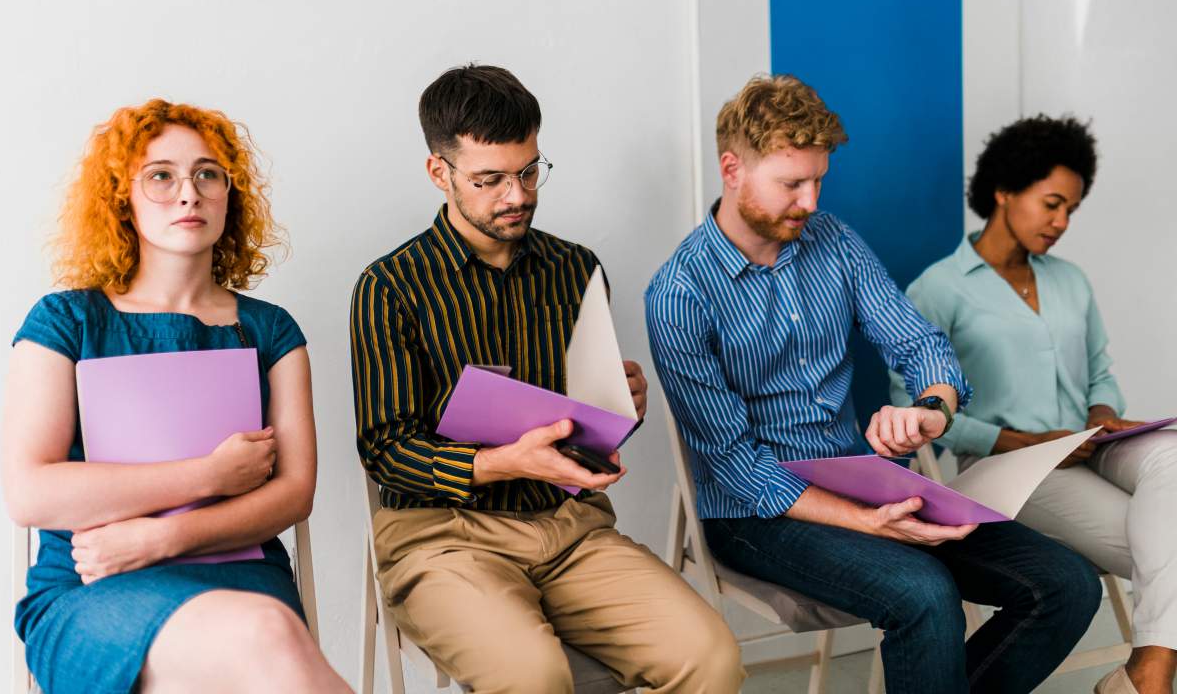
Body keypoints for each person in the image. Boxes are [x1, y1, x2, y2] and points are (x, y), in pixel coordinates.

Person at [645, 74, 1102, 694]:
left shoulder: (834, 242)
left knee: (1068, 584)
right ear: (732, 170)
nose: (810, 202)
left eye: (818, 181)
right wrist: (872, 521)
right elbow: (735, 467)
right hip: (758, 511)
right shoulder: (680, 293)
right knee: (924, 594)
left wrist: (931, 410)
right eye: (791, 184)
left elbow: (921, 345)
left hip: (863, 480)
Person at [349, 64, 743, 694]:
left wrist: (619, 409)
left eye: (529, 170)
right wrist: (506, 461)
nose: (517, 194)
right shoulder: (389, 286)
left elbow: (587, 432)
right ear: (439, 173)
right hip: (442, 539)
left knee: (712, 656)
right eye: (490, 179)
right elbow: (385, 451)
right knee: (533, 677)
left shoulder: (576, 268)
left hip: (571, 527)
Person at [2, 100, 350, 694]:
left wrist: (162, 537)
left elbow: (294, 494)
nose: (188, 193)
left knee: (265, 631)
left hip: (240, 570)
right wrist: (209, 474)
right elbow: (30, 492)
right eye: (160, 175)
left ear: (228, 196)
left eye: (207, 173)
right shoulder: (65, 320)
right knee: (267, 641)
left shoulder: (272, 330)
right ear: (123, 200)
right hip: (95, 579)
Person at [890, 115, 1177, 694]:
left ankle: (1148, 667)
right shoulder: (939, 288)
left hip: (1089, 443)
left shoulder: (1071, 280)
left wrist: (1101, 416)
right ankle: (1148, 676)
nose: (1061, 222)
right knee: (1161, 539)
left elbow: (1101, 371)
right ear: (1004, 191)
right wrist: (1020, 443)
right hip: (1007, 468)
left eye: (1070, 209)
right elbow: (912, 408)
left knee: (1172, 451)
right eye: (1051, 204)